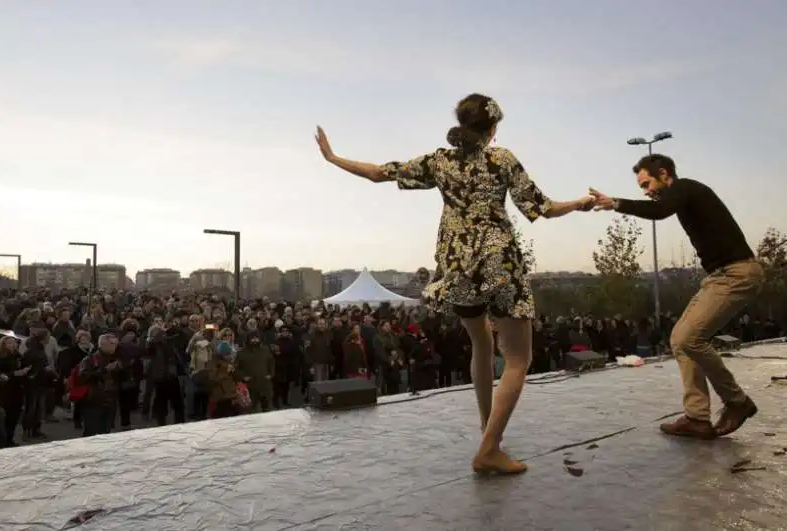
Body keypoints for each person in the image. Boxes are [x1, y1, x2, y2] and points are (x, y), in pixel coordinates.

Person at [315, 93, 594, 474]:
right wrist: (580, 203)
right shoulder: (502, 159)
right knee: (517, 360)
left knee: (480, 341)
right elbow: (541, 208)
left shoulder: (440, 161)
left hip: (457, 264)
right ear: (493, 128)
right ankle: (489, 448)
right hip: (498, 261)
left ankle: (486, 428)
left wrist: (334, 158)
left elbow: (381, 172)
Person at [589, 154, 761, 440]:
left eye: (647, 184)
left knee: (689, 339)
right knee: (680, 341)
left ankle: (737, 402)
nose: (646, 192)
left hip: (737, 273)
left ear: (664, 174)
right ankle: (697, 418)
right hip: (719, 277)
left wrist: (615, 203)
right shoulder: (684, 196)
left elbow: (659, 211)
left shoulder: (685, 188)